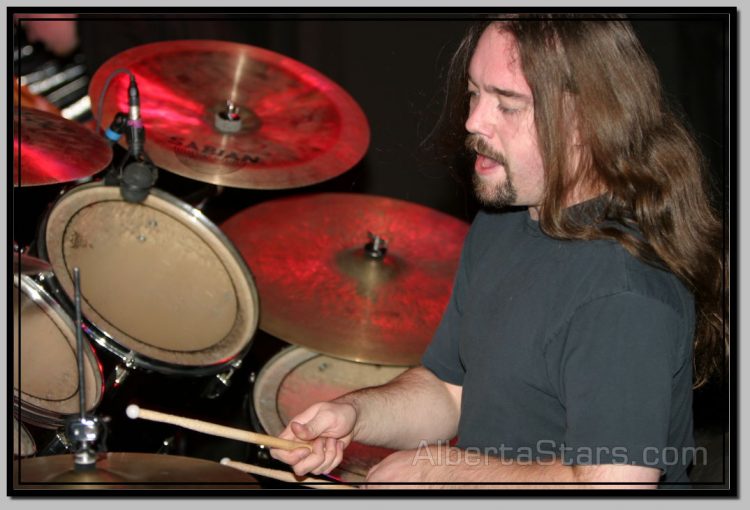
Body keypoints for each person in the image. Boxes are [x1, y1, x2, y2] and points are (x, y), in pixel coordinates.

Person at [277, 13, 727, 489]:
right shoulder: (505, 219)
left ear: (586, 120)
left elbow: (614, 483)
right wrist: (354, 412)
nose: (473, 120)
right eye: (474, 93)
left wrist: (444, 472)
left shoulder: (624, 293)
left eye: (507, 104)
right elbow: (452, 392)